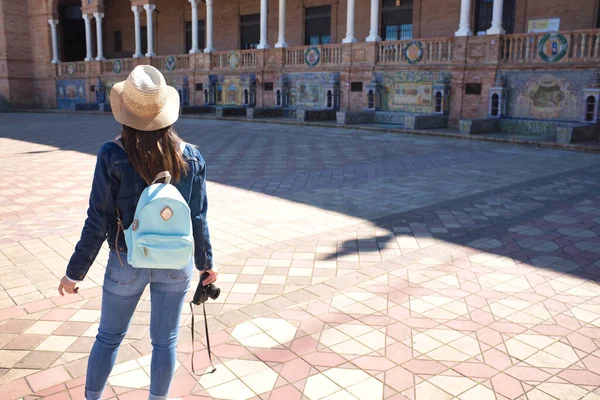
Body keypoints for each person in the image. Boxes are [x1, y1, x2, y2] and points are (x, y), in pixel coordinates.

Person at [58, 65, 217, 400]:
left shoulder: (112, 154)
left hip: (126, 260)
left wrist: (74, 273)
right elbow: (198, 218)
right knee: (165, 341)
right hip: (176, 261)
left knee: (109, 337)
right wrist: (206, 264)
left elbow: (98, 220)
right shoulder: (192, 157)